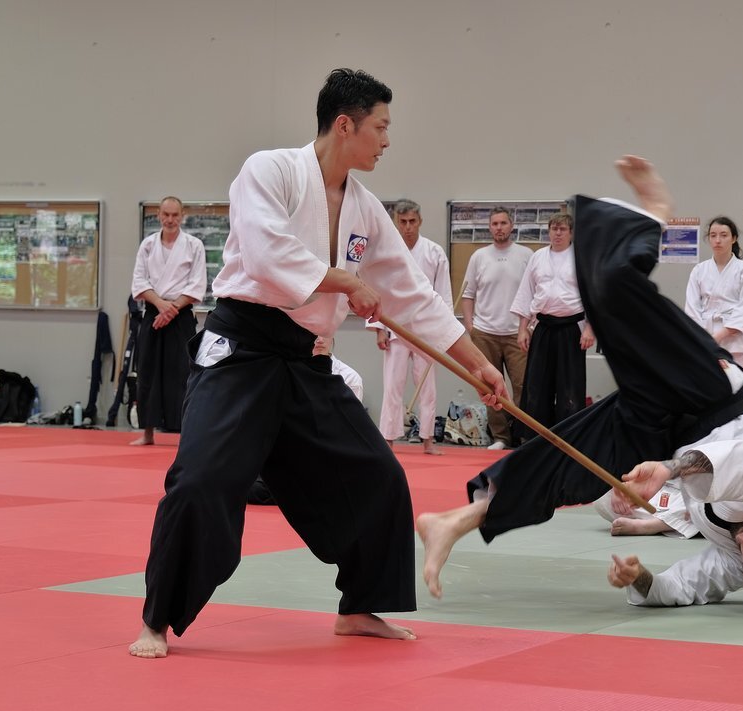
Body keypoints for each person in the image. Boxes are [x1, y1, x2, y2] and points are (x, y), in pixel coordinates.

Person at [129, 68, 505, 658]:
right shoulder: (270, 170)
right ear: (345, 124)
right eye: (380, 127)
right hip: (241, 354)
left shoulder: (365, 207)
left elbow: (414, 298)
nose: (386, 140)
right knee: (201, 481)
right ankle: (156, 618)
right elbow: (263, 250)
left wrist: (476, 363)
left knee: (379, 478)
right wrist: (341, 280)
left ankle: (359, 608)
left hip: (306, 363)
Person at [417, 156, 743, 608]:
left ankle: (456, 521)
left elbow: (689, 584)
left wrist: (642, 577)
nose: (742, 537)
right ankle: (652, 213)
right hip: (711, 394)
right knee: (612, 290)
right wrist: (670, 470)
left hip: (669, 433)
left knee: (569, 463)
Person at [603, 418, 743, 609]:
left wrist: (637, 578)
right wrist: (668, 469)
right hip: (716, 412)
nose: (741, 539)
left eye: (742, 549)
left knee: (601, 501)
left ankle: (668, 518)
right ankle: (668, 519)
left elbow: (683, 585)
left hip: (671, 447)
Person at [370, 199, 451, 455]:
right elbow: (374, 289)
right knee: (392, 385)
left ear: (420, 221)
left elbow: (444, 294)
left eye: (412, 221)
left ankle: (428, 439)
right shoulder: (387, 252)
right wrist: (378, 327)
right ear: (396, 222)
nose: (407, 227)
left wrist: (445, 334)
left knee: (427, 387)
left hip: (426, 329)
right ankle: (389, 439)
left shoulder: (434, 252)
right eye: (402, 222)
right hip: (395, 326)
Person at [245, 335, 362, 506]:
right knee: (244, 481)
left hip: (326, 452)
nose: (320, 340)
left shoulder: (349, 377)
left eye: (325, 335)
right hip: (288, 449)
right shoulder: (285, 369)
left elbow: (347, 432)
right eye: (314, 335)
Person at [510, 212, 595, 441]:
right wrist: (522, 329)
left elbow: (593, 296)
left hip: (571, 328)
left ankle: (569, 439)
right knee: (537, 385)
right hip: (543, 325)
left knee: (569, 386)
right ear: (548, 231)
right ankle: (534, 438)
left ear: (571, 233)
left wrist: (589, 329)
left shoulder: (581, 258)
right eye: (554, 229)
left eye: (563, 229)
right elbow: (526, 293)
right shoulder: (538, 257)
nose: (557, 233)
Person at [129, 197, 207, 445]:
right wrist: (161, 306)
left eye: (175, 215)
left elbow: (197, 284)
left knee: (183, 372)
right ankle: (148, 432)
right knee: (148, 371)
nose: (170, 219)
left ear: (182, 215)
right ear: (158, 215)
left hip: (181, 314)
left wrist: (172, 309)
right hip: (154, 312)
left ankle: (186, 434)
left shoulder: (194, 245)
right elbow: (139, 282)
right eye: (166, 214)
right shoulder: (148, 245)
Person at [460, 206, 530, 450]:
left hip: (515, 334)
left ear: (511, 226)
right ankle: (501, 437)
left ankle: (522, 436)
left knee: (522, 386)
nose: (499, 227)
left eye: (503, 223)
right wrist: (470, 326)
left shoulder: (525, 255)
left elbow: (534, 292)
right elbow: (468, 294)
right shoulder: (479, 256)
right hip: (485, 332)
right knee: (488, 387)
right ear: (489, 227)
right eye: (494, 224)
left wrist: (529, 326)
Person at [684, 216, 743, 370]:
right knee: (704, 387)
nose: (718, 240)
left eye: (724, 235)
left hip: (734, 341)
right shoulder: (699, 270)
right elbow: (692, 308)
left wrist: (717, 337)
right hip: (703, 339)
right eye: (713, 235)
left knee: (734, 388)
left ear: (733, 239)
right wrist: (704, 338)